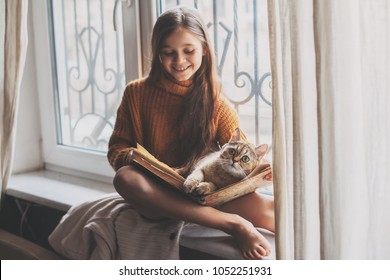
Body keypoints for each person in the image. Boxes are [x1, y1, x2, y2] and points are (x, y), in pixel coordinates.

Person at [107, 6, 274, 260]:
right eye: (168, 53)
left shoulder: (217, 104)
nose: (179, 60)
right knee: (125, 178)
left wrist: (261, 170)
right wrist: (134, 158)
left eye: (189, 51)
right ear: (157, 54)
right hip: (158, 196)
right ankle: (234, 225)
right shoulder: (136, 93)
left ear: (204, 50)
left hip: (203, 194)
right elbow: (116, 150)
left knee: (267, 209)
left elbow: (241, 164)